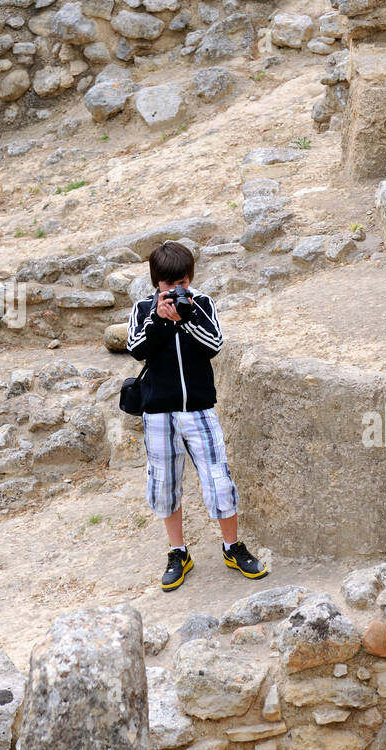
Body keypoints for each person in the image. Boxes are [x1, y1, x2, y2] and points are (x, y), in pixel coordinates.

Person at [125, 240, 268, 590]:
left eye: (183, 283)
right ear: (155, 282)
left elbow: (214, 345)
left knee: (218, 479)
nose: (176, 291)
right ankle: (178, 552)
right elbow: (135, 348)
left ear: (190, 278)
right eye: (168, 285)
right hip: (158, 411)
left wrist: (187, 318)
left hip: (199, 408)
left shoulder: (202, 304)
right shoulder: (143, 308)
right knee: (164, 482)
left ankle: (232, 546)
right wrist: (159, 321)